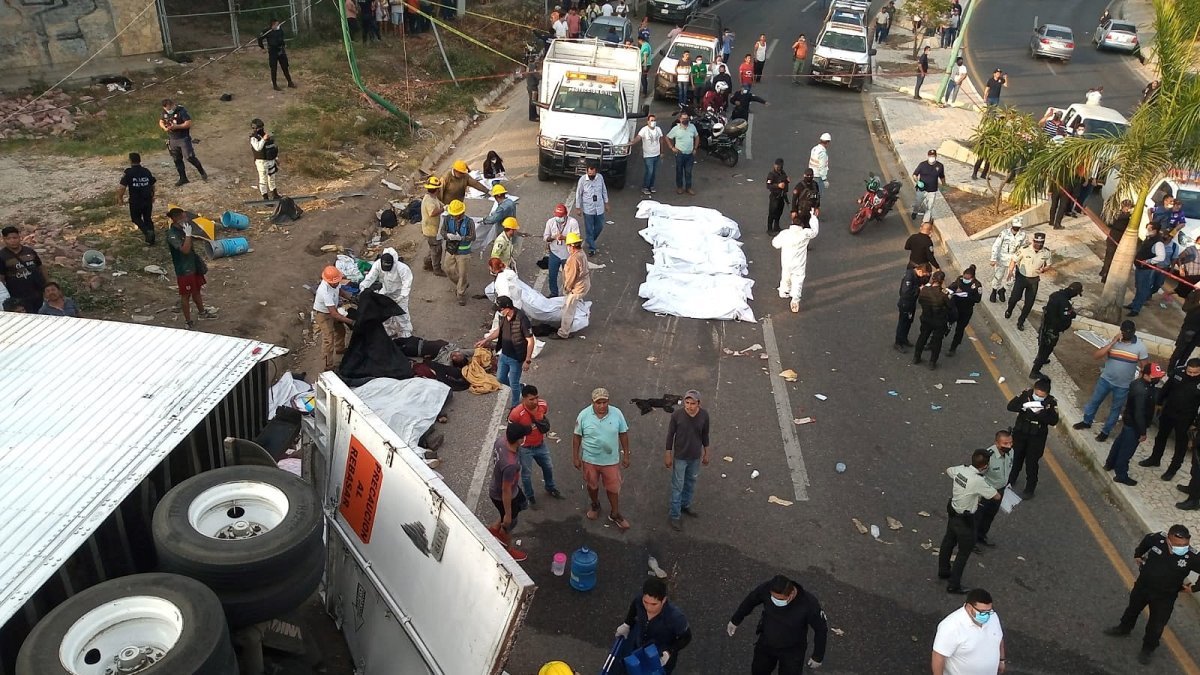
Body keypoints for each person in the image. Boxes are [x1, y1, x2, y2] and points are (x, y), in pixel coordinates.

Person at [1104, 525, 1200, 665]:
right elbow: (1146, 541)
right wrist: (1138, 554)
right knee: (1132, 610)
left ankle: (1148, 648)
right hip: (1143, 587)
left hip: (1165, 597)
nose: (1182, 547)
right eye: (1178, 544)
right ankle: (1124, 628)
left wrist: (1195, 588)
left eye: (1185, 544)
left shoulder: (1192, 556)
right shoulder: (1157, 539)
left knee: (1156, 625)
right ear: (1168, 539)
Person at [727, 574, 828, 674]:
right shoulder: (767, 588)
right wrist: (735, 620)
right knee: (759, 671)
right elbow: (751, 600)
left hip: (792, 650)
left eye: (780, 599)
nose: (775, 601)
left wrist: (817, 656)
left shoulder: (809, 604)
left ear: (791, 594)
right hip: (766, 644)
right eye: (773, 597)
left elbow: (821, 629)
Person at [1073, 321, 1151, 442]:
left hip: (1123, 386)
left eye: (1130, 332)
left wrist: (1139, 379)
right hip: (1105, 380)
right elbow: (1097, 355)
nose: (1127, 334)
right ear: (1121, 331)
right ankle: (1086, 421)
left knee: (1115, 409)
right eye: (1125, 332)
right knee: (1094, 402)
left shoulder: (1140, 347)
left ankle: (1105, 431)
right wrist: (1113, 342)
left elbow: (1145, 366)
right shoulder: (1114, 343)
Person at [940, 450, 1002, 593]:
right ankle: (954, 584)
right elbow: (997, 496)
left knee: (948, 542)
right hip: (966, 521)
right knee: (963, 552)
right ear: (984, 466)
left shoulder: (960, 469)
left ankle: (943, 570)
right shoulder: (978, 481)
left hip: (953, 513)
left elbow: (948, 470)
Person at [572, 387, 631, 529]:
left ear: (608, 401)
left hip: (611, 460)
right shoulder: (584, 415)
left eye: (605, 402)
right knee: (592, 486)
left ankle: (615, 513)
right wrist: (576, 457)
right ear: (593, 402)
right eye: (598, 403)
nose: (602, 406)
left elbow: (623, 434)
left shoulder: (617, 414)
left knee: (613, 488)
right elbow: (577, 436)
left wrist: (626, 454)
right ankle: (595, 505)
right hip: (590, 460)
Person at [1104, 362, 1164, 486]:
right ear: (1146, 375)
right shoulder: (1142, 390)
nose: (1157, 379)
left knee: (1119, 443)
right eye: (1154, 376)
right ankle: (1121, 475)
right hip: (1134, 425)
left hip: (1129, 422)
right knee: (1126, 451)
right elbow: (1139, 413)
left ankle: (1110, 463)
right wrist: (1142, 432)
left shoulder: (1141, 384)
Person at [615, 578, 691, 673]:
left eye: (654, 604)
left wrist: (670, 651)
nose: (648, 607)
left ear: (663, 600)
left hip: (659, 657)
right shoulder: (639, 601)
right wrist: (627, 624)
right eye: (645, 602)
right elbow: (635, 605)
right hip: (639, 648)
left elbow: (686, 637)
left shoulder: (676, 617)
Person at [1140, 358, 1200, 479]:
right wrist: (1159, 403)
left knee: (1180, 445)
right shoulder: (1178, 372)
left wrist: (1196, 424)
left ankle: (1172, 470)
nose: (1192, 375)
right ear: (1186, 368)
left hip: (1186, 417)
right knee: (1161, 436)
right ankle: (1155, 459)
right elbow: (1166, 388)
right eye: (1189, 372)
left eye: (1195, 373)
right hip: (1169, 411)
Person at [510, 384, 563, 507]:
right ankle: (529, 496)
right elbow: (511, 431)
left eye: (536, 398)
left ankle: (550, 487)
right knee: (526, 475)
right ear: (523, 399)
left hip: (540, 445)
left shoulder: (543, 405)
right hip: (525, 449)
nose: (535, 402)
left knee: (548, 467)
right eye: (531, 399)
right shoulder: (516, 413)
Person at [664, 389, 710, 531]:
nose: (689, 406)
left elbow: (705, 435)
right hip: (680, 457)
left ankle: (685, 505)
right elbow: (670, 435)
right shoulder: (677, 415)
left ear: (699, 404)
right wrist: (668, 454)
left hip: (695, 456)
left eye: (692, 403)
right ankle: (675, 515)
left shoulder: (704, 416)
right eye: (687, 402)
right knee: (678, 485)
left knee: (691, 482)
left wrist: (707, 452)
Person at [477, 296, 534, 409]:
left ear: (507, 308)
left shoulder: (522, 319)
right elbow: (499, 330)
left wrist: (527, 360)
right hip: (504, 355)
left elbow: (530, 340)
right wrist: (486, 340)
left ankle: (515, 406)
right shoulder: (503, 317)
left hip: (516, 358)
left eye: (500, 309)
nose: (499, 312)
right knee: (500, 378)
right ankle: (520, 387)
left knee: (513, 383)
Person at [1006, 378, 1059, 498]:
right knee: (1016, 458)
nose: (1038, 397)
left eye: (1041, 396)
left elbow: (1054, 421)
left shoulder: (1051, 403)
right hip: (1021, 432)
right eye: (1037, 394)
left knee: (1032, 463)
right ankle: (1010, 480)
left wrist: (1040, 414)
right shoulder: (1026, 394)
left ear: (1047, 395)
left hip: (1037, 437)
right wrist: (1023, 407)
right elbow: (1010, 406)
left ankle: (1030, 489)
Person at [932, 589, 1006, 674]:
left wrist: (1001, 660)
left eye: (989, 611)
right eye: (982, 612)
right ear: (969, 607)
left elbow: (999, 638)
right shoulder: (951, 626)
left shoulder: (993, 617)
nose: (986, 615)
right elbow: (938, 657)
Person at [165, 208, 216, 329]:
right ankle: (188, 321)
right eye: (184, 217)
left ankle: (202, 312)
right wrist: (188, 235)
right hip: (184, 269)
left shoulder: (183, 229)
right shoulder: (172, 234)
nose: (186, 219)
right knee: (186, 295)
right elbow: (185, 250)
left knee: (197, 290)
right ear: (177, 219)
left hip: (193, 266)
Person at [489, 422, 532, 562]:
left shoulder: (500, 441)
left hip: (510, 489)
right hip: (504, 496)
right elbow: (505, 490)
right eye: (523, 436)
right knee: (509, 523)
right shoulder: (510, 465)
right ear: (519, 439)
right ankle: (507, 550)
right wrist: (507, 514)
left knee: (522, 504)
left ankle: (494, 529)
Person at [1030, 282, 1082, 379]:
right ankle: (1035, 371)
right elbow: (1065, 316)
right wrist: (1073, 313)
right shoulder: (1064, 302)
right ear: (1074, 292)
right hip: (1052, 330)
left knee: (1043, 346)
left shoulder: (1055, 295)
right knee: (1046, 349)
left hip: (1046, 326)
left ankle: (1040, 359)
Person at [773, 211, 820, 314]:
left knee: (786, 276)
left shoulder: (785, 233)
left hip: (786, 261)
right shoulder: (805, 233)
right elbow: (815, 231)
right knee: (798, 280)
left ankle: (784, 291)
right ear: (802, 225)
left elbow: (775, 244)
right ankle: (795, 300)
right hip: (799, 263)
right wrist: (813, 217)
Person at [1004, 232, 1052, 331]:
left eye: (1041, 243)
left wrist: (1043, 270)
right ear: (1033, 241)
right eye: (1037, 242)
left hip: (1034, 280)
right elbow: (1014, 260)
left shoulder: (1046, 252)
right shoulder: (1024, 250)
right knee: (1015, 298)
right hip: (1022, 278)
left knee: (1029, 303)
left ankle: (1021, 321)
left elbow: (1048, 265)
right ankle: (1009, 310)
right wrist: (1010, 272)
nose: (1039, 244)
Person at [360, 248, 413, 338]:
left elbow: (406, 283)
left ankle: (406, 333)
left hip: (399, 293)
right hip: (385, 291)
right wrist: (363, 288)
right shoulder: (377, 265)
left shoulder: (402, 268)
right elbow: (370, 277)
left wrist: (402, 296)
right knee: (384, 313)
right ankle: (389, 331)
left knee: (401, 314)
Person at [975, 431, 1014, 547]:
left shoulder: (1011, 452)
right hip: (986, 493)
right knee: (977, 518)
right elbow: (977, 476)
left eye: (1011, 443)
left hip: (1000, 490)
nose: (1009, 446)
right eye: (1005, 443)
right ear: (997, 443)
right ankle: (971, 542)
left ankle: (981, 536)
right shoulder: (988, 457)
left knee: (990, 516)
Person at [159, 99, 207, 187]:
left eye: (169, 108)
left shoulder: (181, 111)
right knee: (177, 159)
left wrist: (177, 126)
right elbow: (161, 121)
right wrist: (164, 128)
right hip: (172, 139)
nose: (168, 110)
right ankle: (183, 178)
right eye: (166, 109)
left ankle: (201, 171)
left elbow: (188, 123)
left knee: (189, 157)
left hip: (183, 138)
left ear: (172, 105)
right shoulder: (164, 112)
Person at [913, 270, 956, 370]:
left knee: (922, 337)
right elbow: (950, 307)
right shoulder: (944, 294)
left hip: (926, 318)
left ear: (933, 279)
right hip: (939, 321)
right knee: (937, 342)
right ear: (942, 281)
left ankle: (916, 357)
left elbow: (920, 301)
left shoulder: (924, 290)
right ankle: (932, 362)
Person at [312, 265, 353, 368]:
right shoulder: (324, 291)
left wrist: (351, 297)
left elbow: (340, 291)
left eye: (337, 281)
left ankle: (340, 349)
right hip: (322, 314)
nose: (336, 283)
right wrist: (351, 322)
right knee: (328, 339)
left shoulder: (335, 282)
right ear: (328, 281)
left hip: (331, 310)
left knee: (340, 330)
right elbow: (334, 314)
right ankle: (328, 366)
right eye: (334, 282)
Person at [438, 199, 475, 306]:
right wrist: (447, 236)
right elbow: (442, 231)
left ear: (461, 213)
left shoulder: (469, 222)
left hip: (463, 252)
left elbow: (473, 236)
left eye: (456, 215)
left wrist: (461, 238)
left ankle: (460, 293)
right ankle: (461, 284)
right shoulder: (447, 219)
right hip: (451, 250)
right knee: (448, 269)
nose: (454, 217)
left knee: (463, 274)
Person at [115, 152, 157, 245]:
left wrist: (120, 198)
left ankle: (147, 232)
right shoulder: (146, 171)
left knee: (136, 218)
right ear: (140, 160)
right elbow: (152, 184)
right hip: (147, 199)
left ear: (130, 161)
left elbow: (122, 187)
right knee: (147, 218)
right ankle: (152, 240)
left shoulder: (128, 172)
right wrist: (153, 195)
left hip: (136, 200)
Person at [1126, 223, 1167, 316]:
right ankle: (1134, 304)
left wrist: (1149, 261)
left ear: (1155, 230)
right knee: (1138, 287)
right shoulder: (1149, 238)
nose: (1147, 230)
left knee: (1143, 289)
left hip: (1146, 270)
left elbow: (1161, 257)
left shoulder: (1158, 243)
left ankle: (1136, 309)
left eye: (1149, 229)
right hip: (1140, 267)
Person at [557, 232, 590, 339]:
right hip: (584, 284)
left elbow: (571, 276)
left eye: (568, 245)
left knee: (568, 310)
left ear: (571, 246)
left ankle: (564, 333)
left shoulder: (573, 259)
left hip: (577, 288)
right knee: (571, 305)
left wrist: (567, 288)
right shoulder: (581, 253)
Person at [543, 204, 579, 297]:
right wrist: (553, 238)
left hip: (568, 255)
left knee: (568, 278)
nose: (559, 218)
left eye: (561, 216)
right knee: (552, 276)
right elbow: (545, 237)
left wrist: (564, 238)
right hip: (554, 253)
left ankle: (568, 294)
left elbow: (577, 239)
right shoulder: (550, 222)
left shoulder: (573, 222)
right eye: (557, 216)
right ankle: (554, 293)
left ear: (566, 215)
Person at [945, 266, 982, 357]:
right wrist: (954, 291)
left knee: (959, 329)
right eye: (964, 277)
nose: (965, 279)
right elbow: (951, 287)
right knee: (945, 324)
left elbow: (977, 299)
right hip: (955, 308)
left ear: (972, 277)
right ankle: (933, 341)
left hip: (966, 311)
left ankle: (953, 348)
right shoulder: (959, 279)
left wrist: (967, 295)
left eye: (967, 278)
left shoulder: (977, 285)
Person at [894, 263, 931, 352]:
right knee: (902, 323)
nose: (923, 276)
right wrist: (919, 289)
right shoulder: (909, 277)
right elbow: (905, 292)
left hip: (911, 303)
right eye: (924, 274)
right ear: (920, 271)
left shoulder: (915, 276)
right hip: (905, 303)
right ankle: (898, 342)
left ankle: (904, 338)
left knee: (908, 322)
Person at [988, 217, 1025, 303]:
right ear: (1012, 225)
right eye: (1015, 226)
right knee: (998, 276)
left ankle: (1002, 290)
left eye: (1018, 226)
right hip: (1001, 258)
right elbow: (996, 245)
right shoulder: (1004, 233)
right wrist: (993, 258)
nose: (1016, 228)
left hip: (1013, 260)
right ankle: (994, 291)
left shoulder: (1023, 235)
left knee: (1011, 279)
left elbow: (1023, 248)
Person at [574, 164, 608, 256]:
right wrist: (578, 207)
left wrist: (606, 202)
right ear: (586, 172)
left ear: (596, 172)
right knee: (589, 229)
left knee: (600, 226)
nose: (591, 176)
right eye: (589, 174)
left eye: (593, 174)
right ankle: (592, 248)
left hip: (599, 207)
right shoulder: (582, 180)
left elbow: (604, 190)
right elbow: (578, 194)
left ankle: (590, 239)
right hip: (588, 208)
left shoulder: (600, 178)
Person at [478, 184, 518, 259]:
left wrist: (484, 220)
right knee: (509, 248)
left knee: (503, 250)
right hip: (512, 227)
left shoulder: (502, 207)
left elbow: (493, 219)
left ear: (496, 196)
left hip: (504, 230)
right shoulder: (510, 202)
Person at [1100, 199, 1134, 283]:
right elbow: (1117, 220)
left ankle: (1104, 271)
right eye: (1127, 207)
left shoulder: (1127, 216)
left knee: (1111, 257)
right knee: (1109, 256)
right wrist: (1129, 214)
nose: (1128, 209)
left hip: (1119, 238)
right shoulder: (1119, 214)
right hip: (1114, 236)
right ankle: (1105, 273)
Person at [665, 112, 699, 196]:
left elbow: (697, 137)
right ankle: (679, 187)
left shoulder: (692, 127)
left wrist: (695, 148)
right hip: (680, 154)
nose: (685, 120)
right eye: (683, 118)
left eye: (686, 118)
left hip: (690, 154)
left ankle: (688, 188)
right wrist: (672, 148)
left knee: (688, 172)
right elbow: (667, 137)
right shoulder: (676, 129)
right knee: (679, 171)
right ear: (680, 119)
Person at [257, 18, 295, 90]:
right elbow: (259, 38)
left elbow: (281, 37)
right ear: (272, 25)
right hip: (273, 51)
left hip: (281, 50)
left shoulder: (280, 29)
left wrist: (283, 45)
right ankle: (275, 85)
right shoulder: (267, 31)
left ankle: (290, 82)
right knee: (273, 68)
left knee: (285, 67)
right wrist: (262, 48)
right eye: (276, 24)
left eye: (278, 24)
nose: (278, 25)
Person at [249, 118, 281, 201]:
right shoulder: (254, 138)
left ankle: (275, 194)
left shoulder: (266, 135)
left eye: (261, 127)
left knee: (272, 178)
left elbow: (271, 147)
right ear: (254, 128)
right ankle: (265, 198)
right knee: (263, 180)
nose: (260, 129)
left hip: (271, 160)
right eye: (258, 128)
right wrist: (263, 139)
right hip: (261, 161)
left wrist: (276, 158)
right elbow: (258, 148)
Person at [631, 114, 663, 196]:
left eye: (654, 120)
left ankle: (651, 186)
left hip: (657, 154)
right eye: (651, 120)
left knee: (654, 172)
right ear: (648, 121)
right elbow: (638, 137)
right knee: (650, 171)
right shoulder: (644, 130)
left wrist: (662, 152)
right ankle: (645, 187)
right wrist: (632, 143)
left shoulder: (658, 129)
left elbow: (661, 140)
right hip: (648, 155)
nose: (653, 122)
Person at [420, 176, 446, 276]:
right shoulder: (429, 201)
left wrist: (446, 206)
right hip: (431, 230)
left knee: (433, 248)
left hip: (432, 228)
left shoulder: (432, 197)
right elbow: (433, 212)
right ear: (437, 189)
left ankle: (427, 263)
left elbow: (440, 204)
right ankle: (436, 269)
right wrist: (443, 210)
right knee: (437, 250)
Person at [911, 149, 946, 222]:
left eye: (933, 156)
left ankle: (925, 222)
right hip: (922, 190)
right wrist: (917, 182)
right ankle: (915, 212)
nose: (932, 157)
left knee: (929, 207)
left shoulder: (939, 166)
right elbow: (914, 175)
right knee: (917, 203)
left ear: (936, 156)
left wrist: (944, 185)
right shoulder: (922, 165)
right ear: (928, 156)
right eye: (930, 156)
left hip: (932, 191)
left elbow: (942, 176)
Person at [765, 158, 789, 234]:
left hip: (781, 196)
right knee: (772, 213)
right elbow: (768, 185)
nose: (777, 167)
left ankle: (776, 226)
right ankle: (769, 229)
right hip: (774, 196)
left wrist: (787, 180)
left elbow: (784, 179)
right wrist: (777, 185)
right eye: (776, 165)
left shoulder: (782, 172)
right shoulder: (771, 174)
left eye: (779, 165)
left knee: (779, 212)